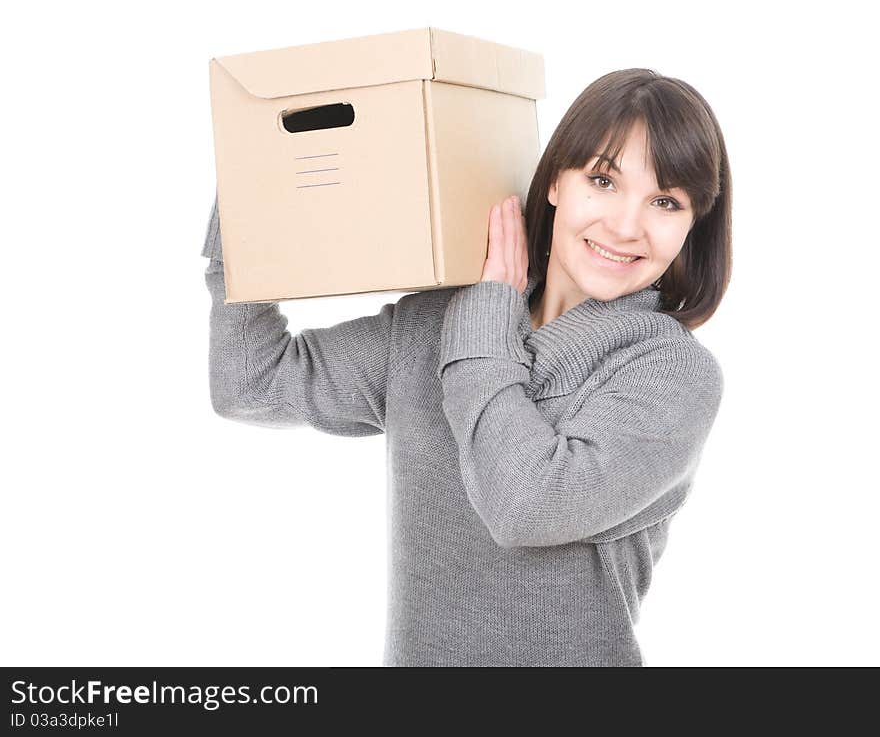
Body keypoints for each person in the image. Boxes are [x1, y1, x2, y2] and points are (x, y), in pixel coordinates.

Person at [201, 67, 731, 667]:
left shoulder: (671, 375)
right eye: (603, 180)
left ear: (691, 226)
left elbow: (526, 505)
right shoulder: (431, 326)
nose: (625, 225)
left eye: (665, 201)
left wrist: (486, 314)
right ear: (556, 181)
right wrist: (244, 204)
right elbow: (251, 382)